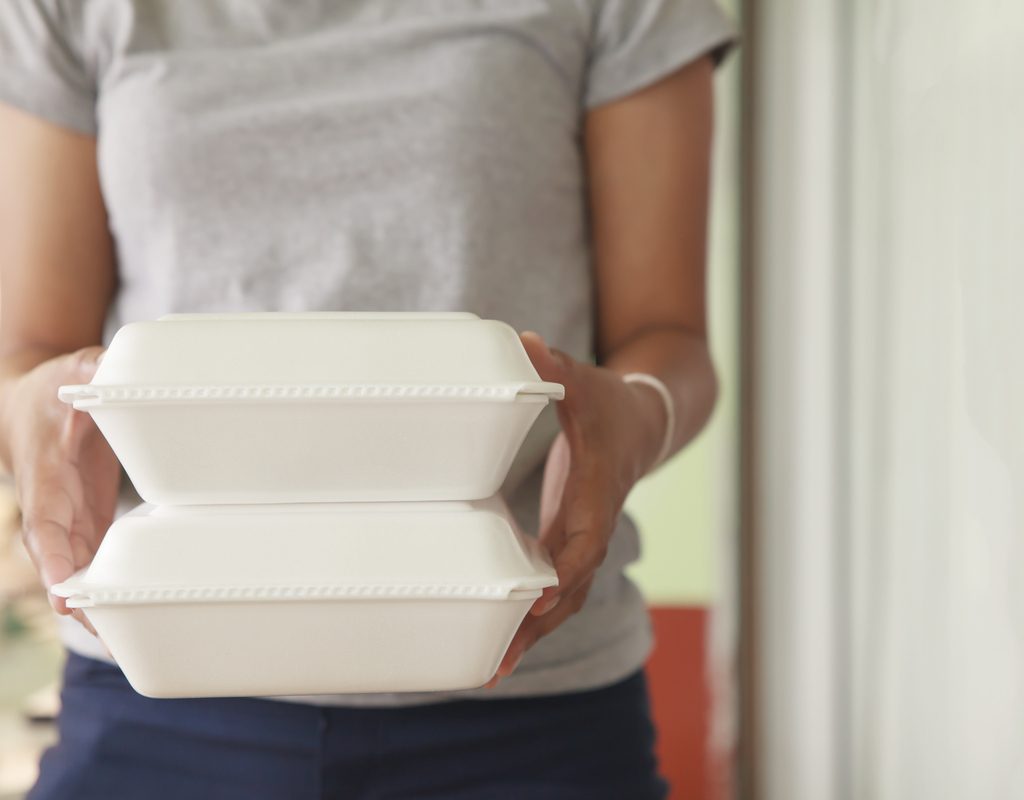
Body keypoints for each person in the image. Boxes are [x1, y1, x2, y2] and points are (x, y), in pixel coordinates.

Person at [0, 1, 735, 798]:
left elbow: (668, 337)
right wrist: (30, 410)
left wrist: (638, 413)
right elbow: (33, 351)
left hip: (527, 703)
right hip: (162, 691)